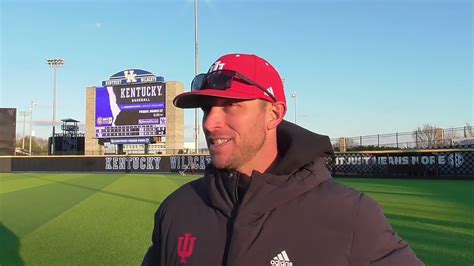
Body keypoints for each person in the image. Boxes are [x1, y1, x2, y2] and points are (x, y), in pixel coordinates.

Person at [143, 53, 423, 265]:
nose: (209, 123)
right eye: (207, 108)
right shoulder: (176, 210)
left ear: (274, 115)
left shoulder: (351, 216)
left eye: (230, 106)